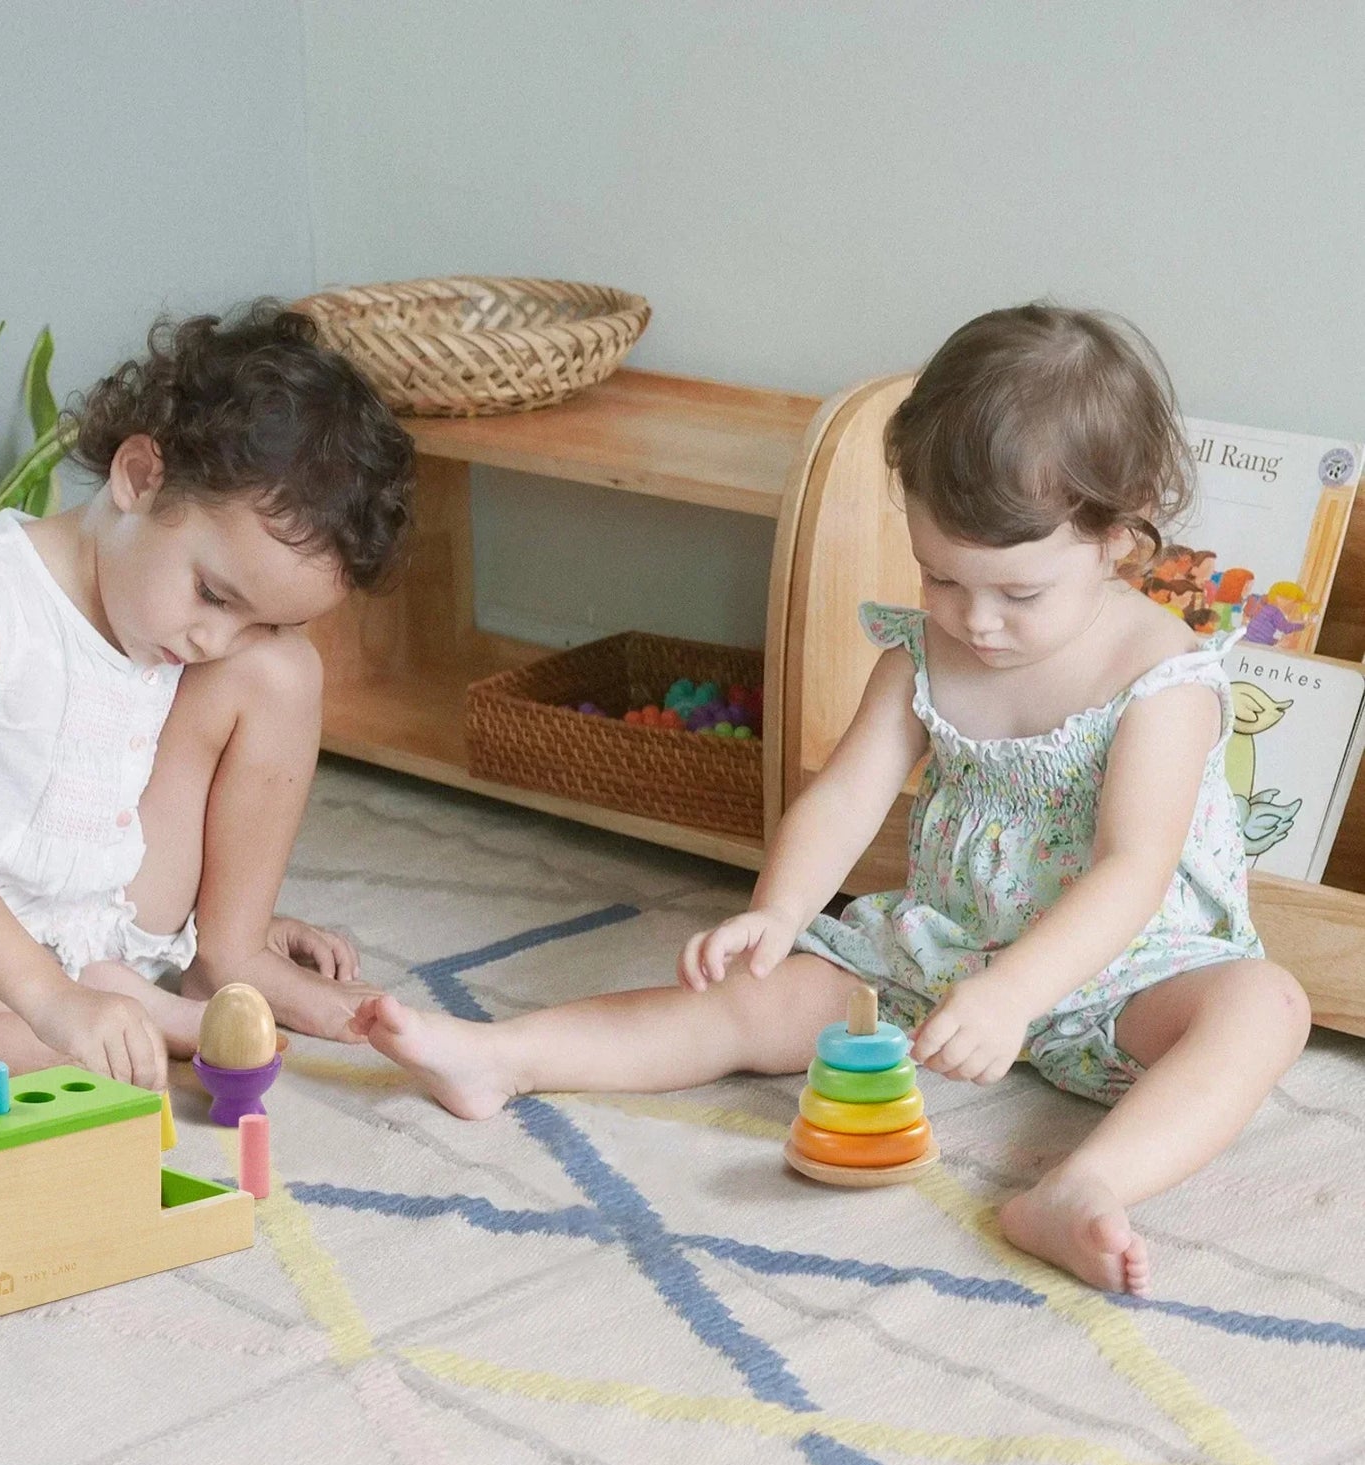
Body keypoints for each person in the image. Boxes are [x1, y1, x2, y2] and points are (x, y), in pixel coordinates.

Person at [357, 304, 1312, 1296]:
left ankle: (1083, 1185)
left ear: (1118, 534)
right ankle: (503, 1055)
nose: (976, 621)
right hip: (942, 950)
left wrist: (1017, 995)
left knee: (1265, 1007)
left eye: (1018, 593)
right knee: (744, 1000)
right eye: (941, 577)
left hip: (1127, 972)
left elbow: (1133, 868)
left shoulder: (1162, 676)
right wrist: (777, 913)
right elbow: (847, 793)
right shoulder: (926, 649)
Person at [0, 301, 414, 1121]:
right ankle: (133, 1017)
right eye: (213, 594)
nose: (213, 639)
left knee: (283, 673)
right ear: (138, 477)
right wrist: (52, 998)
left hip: (105, 914)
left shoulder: (178, 620)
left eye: (256, 619)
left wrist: (225, 923)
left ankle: (226, 956)